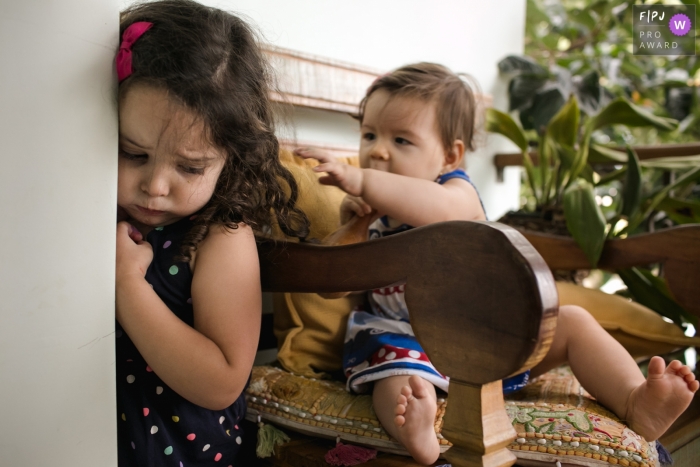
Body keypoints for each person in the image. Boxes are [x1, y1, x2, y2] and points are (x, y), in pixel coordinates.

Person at [295, 62, 698, 465]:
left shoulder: (456, 193)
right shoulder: (371, 213)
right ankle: (415, 431)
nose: (377, 150)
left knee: (573, 322)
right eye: (369, 135)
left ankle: (635, 398)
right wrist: (356, 223)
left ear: (449, 155)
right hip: (404, 340)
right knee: (397, 380)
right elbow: (334, 283)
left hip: (486, 336)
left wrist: (366, 183)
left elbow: (436, 210)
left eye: (401, 140)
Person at [114, 1, 308, 465]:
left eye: (190, 166)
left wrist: (125, 285)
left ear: (231, 158)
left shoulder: (221, 235)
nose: (156, 186)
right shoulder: (85, 210)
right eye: (132, 153)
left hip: (185, 455)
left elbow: (221, 382)